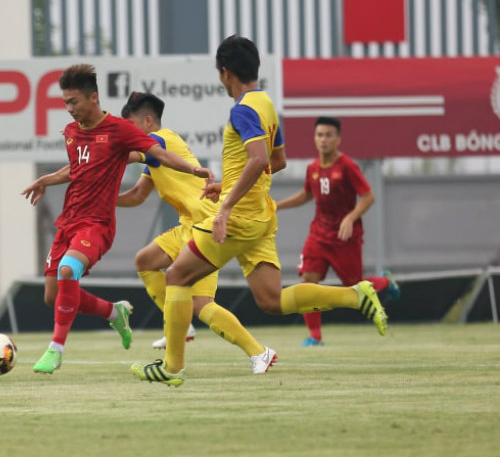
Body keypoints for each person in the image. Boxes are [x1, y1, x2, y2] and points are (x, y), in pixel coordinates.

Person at [130, 35, 388, 387]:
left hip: (239, 217)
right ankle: (356, 294)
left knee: (175, 277)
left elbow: (260, 159)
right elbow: (276, 161)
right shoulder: (265, 103)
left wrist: (225, 207)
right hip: (261, 216)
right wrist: (228, 183)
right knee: (271, 299)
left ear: (225, 73)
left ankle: (172, 367)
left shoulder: (242, 110)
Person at [22, 64, 214, 375]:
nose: (69, 110)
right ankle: (114, 312)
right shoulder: (71, 133)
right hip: (68, 221)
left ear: (93, 97)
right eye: (65, 103)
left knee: (68, 269)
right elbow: (76, 169)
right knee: (53, 295)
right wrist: (48, 179)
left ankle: (55, 349)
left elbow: (159, 154)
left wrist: (195, 170)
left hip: (97, 224)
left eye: (73, 102)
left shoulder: (120, 130)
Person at [117, 91, 276, 373]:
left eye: (129, 127)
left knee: (201, 303)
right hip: (187, 226)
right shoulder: (155, 155)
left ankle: (259, 352)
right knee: (145, 260)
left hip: (205, 224)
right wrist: (104, 200)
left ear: (148, 121)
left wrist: (95, 152)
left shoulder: (160, 139)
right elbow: (137, 196)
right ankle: (180, 321)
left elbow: (123, 155)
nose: (126, 134)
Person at [275, 117, 401, 347]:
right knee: (307, 282)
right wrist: (277, 206)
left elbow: (368, 196)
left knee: (354, 286)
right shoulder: (312, 168)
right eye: (319, 135)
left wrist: (351, 217)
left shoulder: (347, 166)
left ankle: (386, 281)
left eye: (328, 135)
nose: (323, 140)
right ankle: (315, 336)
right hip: (318, 235)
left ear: (338, 139)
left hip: (345, 238)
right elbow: (307, 194)